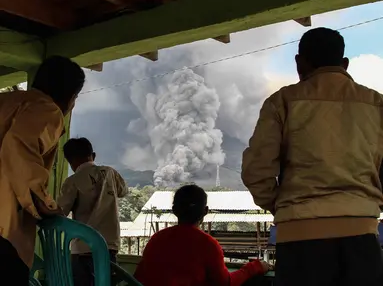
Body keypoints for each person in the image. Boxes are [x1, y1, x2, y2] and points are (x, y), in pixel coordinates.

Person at [241, 27, 383, 286]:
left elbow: (256, 171)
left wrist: (284, 205)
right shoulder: (376, 104)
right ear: (344, 64)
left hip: (299, 240)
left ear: (299, 62)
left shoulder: (282, 102)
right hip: (362, 237)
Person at [0, 56, 85, 285]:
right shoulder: (47, 109)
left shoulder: (8, 102)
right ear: (70, 98)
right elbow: (18, 145)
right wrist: (44, 203)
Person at [134, 184, 271, 286]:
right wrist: (255, 267)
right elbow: (226, 283)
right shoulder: (207, 244)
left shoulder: (157, 239)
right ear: (205, 211)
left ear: (174, 210)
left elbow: (139, 277)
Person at [57, 137, 128, 286]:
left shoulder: (72, 181)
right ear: (93, 156)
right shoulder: (110, 172)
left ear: (70, 162)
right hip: (108, 247)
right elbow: (123, 191)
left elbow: (60, 212)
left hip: (81, 248)